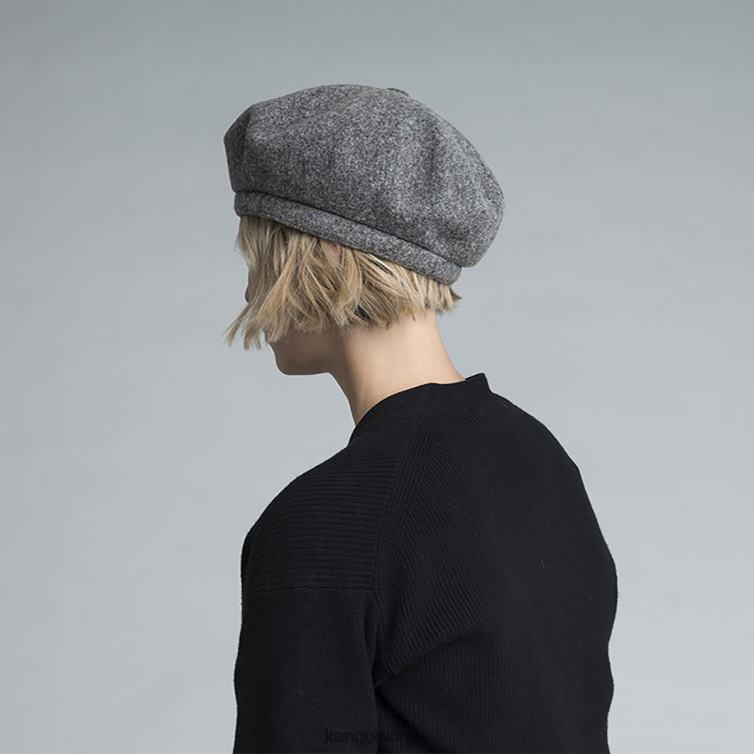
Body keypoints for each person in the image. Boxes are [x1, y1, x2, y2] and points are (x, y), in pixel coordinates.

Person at [222, 84, 618, 754]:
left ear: (331, 255)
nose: (248, 290)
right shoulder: (540, 461)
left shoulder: (325, 528)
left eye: (262, 260)